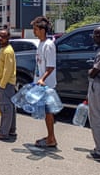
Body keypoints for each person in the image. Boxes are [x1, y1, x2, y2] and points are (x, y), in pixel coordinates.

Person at [31, 16, 58, 148]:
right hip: (40, 84)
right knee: (46, 112)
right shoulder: (40, 44)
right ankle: (50, 136)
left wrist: (42, 79)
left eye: (35, 29)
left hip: (47, 85)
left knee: (48, 112)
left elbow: (51, 67)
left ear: (42, 30)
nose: (34, 31)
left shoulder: (49, 45)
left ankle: (51, 139)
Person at [0, 29, 17, 140]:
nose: (0, 38)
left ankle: (4, 132)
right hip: (6, 84)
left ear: (8, 38)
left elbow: (8, 69)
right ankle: (9, 129)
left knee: (6, 108)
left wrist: (1, 84)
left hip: (6, 84)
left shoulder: (7, 51)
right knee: (9, 107)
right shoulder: (3, 49)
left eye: (3, 36)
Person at [87, 26, 100, 160]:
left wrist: (89, 71)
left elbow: (94, 72)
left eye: (97, 35)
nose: (94, 37)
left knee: (97, 118)